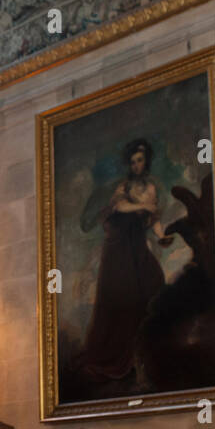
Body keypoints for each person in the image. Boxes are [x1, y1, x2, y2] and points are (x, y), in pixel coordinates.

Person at [75, 138, 172, 388]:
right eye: (133, 162)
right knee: (119, 300)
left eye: (140, 160)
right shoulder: (124, 186)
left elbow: (153, 219)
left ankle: (139, 355)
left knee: (153, 285)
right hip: (118, 249)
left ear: (146, 161)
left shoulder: (151, 188)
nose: (137, 165)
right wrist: (143, 205)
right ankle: (116, 359)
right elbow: (120, 206)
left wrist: (162, 236)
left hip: (136, 246)